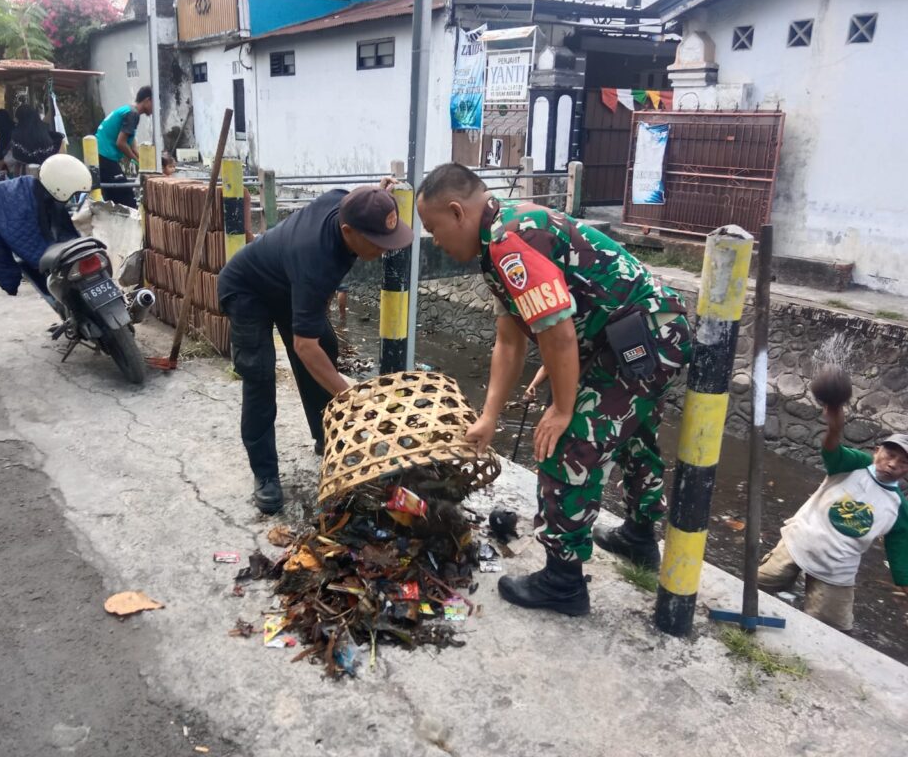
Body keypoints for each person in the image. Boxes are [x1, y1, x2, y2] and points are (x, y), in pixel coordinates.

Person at [416, 163, 691, 616]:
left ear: (456, 211)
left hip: (642, 337)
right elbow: (511, 338)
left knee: (567, 443)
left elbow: (559, 335)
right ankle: (640, 536)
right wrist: (489, 416)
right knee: (630, 430)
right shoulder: (497, 240)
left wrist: (564, 408)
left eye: (434, 228)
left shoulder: (508, 242)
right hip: (629, 334)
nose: (437, 241)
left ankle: (563, 581)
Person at [218, 183, 412, 514]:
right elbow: (304, 347)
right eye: (379, 243)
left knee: (328, 346)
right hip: (247, 290)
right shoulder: (317, 260)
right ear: (348, 232)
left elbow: (359, 202)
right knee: (260, 377)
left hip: (287, 281)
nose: (384, 250)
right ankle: (265, 475)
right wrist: (350, 397)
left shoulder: (342, 202)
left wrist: (380, 196)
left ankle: (327, 437)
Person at [758, 406, 908, 631]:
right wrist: (835, 426)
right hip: (800, 542)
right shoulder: (853, 464)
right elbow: (832, 449)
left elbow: (900, 553)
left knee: (834, 630)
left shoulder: (899, 506)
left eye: (904, 462)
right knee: (756, 586)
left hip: (838, 566)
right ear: (877, 451)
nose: (893, 464)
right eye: (890, 455)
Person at [0, 154, 91, 296]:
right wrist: (10, 283)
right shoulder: (30, 201)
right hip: (48, 263)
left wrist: (9, 284)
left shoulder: (41, 189)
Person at [95, 86, 153, 207]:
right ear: (147, 100)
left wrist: (145, 164)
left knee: (112, 200)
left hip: (102, 156)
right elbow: (121, 143)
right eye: (155, 103)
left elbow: (133, 147)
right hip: (104, 156)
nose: (155, 109)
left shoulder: (128, 110)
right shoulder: (132, 114)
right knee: (127, 199)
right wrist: (137, 161)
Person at [9, 104, 64, 170]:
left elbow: (16, 156)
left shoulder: (17, 135)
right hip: (48, 170)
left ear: (19, 119)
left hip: (28, 173)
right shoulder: (44, 130)